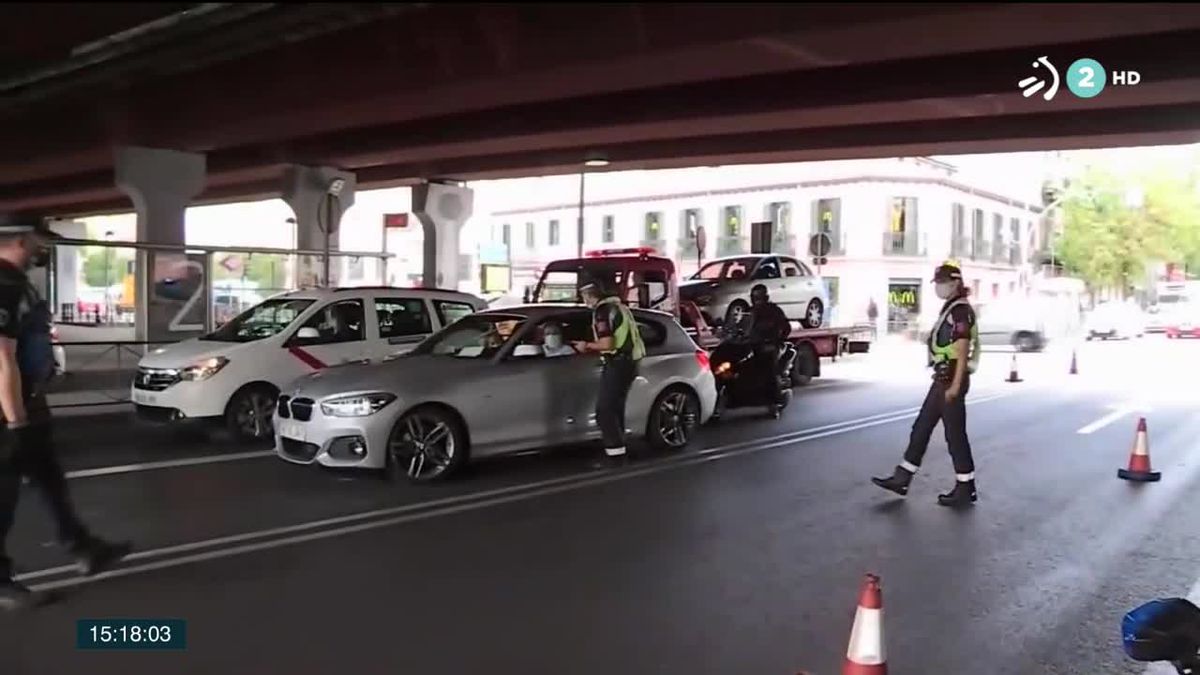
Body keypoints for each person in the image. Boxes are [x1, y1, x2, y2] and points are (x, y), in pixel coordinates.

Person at [0, 214, 131, 610]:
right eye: (41, 240)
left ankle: (82, 545)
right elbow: (1, 359)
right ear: (21, 239)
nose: (45, 248)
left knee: (48, 478)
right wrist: (16, 422)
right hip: (7, 413)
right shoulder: (3, 284)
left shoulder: (17, 283)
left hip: (27, 404)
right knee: (3, 496)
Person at [871, 260, 981, 507]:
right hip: (942, 378)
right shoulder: (951, 307)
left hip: (951, 378)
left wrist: (955, 384)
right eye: (937, 283)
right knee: (921, 427)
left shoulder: (960, 310)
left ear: (955, 283)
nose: (938, 287)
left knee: (954, 436)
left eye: (942, 282)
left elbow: (962, 349)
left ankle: (966, 487)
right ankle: (902, 477)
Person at [571, 278, 645, 467]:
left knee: (604, 411)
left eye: (584, 296)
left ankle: (614, 456)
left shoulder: (603, 312)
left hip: (618, 363)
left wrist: (585, 346)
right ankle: (620, 451)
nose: (584, 300)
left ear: (591, 294)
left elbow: (607, 344)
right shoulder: (619, 307)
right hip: (630, 362)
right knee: (614, 409)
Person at [746, 283, 790, 418]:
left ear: (765, 297)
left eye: (759, 297)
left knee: (770, 373)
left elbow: (786, 327)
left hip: (769, 347)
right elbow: (740, 326)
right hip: (752, 346)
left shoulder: (774, 311)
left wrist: (777, 340)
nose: (756, 300)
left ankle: (774, 403)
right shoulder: (750, 312)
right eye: (754, 297)